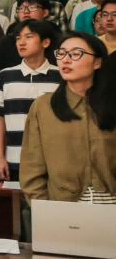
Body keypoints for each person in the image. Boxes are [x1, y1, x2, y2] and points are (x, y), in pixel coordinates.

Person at [19, 32, 116, 203]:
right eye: (61, 53)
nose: (66, 60)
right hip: (62, 205)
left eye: (76, 54)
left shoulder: (111, 104)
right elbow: (32, 168)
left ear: (97, 62)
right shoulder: (43, 107)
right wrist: (45, 209)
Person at [0, 21, 62, 183]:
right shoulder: (5, 76)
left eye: (29, 37)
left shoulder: (60, 76)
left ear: (45, 42)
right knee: (17, 199)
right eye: (18, 38)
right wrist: (0, 157)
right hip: (15, 159)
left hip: (54, 160)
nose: (21, 42)